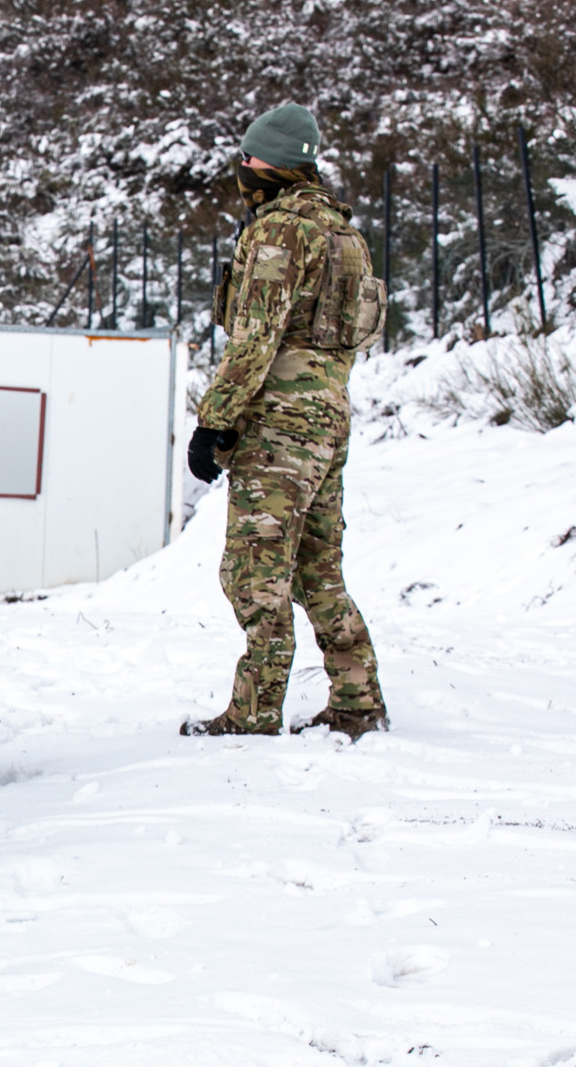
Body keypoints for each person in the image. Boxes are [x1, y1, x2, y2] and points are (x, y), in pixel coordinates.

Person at [184, 100, 388, 739]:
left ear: (277, 161)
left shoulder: (279, 231)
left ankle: (255, 709)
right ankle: (358, 699)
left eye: (249, 155)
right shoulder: (345, 234)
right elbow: (359, 332)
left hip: (278, 427)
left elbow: (255, 337)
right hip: (330, 418)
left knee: (255, 567)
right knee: (319, 567)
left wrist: (214, 420)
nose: (240, 166)